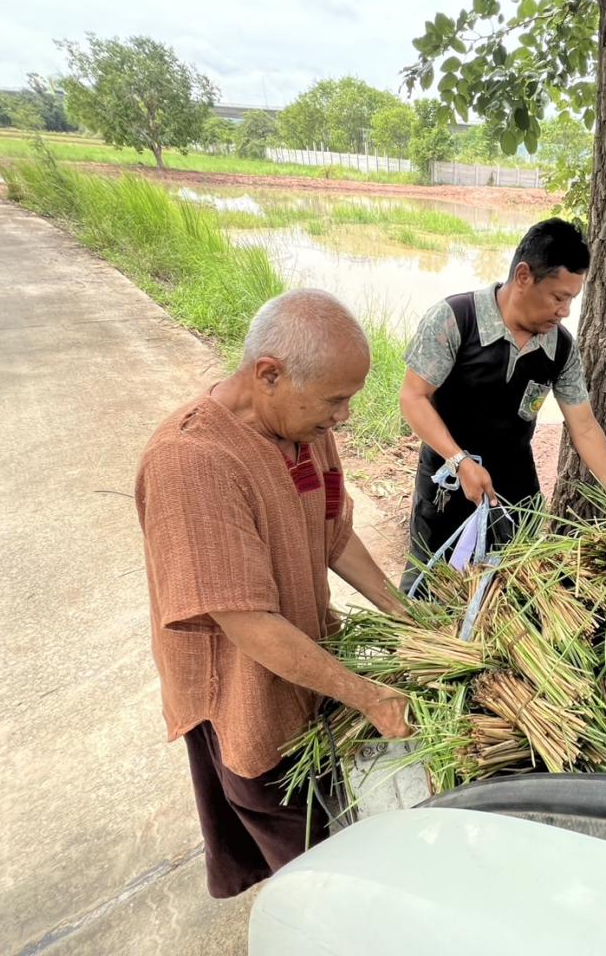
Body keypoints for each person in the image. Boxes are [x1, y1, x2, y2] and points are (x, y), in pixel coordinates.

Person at [135, 289, 411, 899]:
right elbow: (250, 623)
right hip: (243, 684)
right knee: (294, 839)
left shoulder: (304, 427)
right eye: (336, 399)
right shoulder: (192, 460)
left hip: (305, 660)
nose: (343, 416)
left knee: (321, 809)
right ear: (269, 374)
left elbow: (333, 534)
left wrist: (402, 610)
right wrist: (369, 696)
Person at [399, 217, 606, 588]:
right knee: (430, 591)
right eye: (559, 297)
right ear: (524, 276)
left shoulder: (560, 348)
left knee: (513, 594)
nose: (565, 312)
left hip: (514, 487)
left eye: (572, 299)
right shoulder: (456, 319)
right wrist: (459, 461)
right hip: (448, 482)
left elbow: (585, 427)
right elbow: (413, 398)